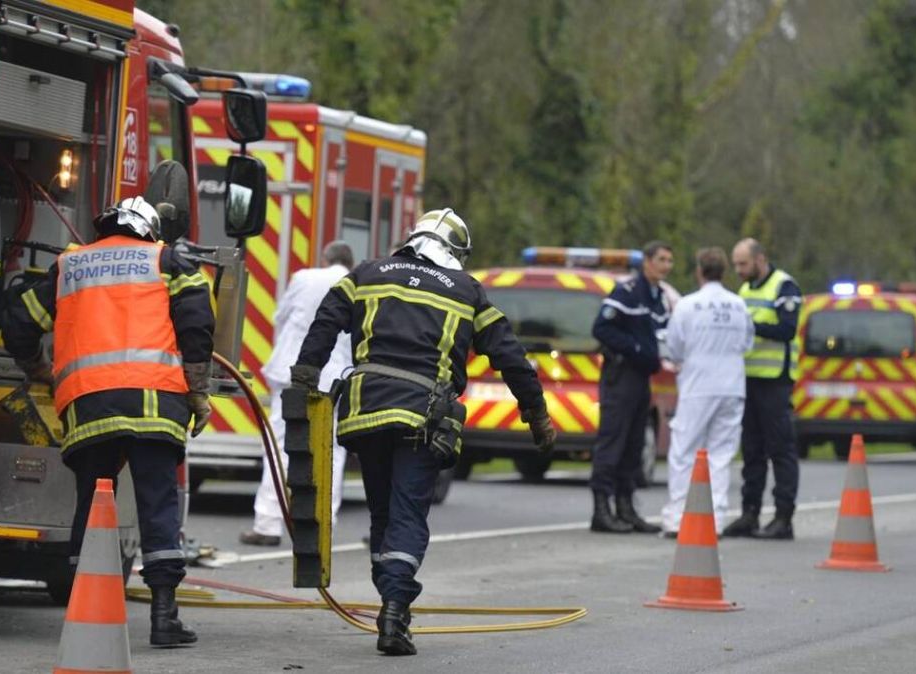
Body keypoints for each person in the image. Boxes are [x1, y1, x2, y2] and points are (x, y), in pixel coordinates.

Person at [292, 208, 555, 656]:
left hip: (365, 411)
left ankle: (391, 601)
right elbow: (509, 355)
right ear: (455, 252)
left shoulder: (368, 272)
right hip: (423, 416)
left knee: (383, 513)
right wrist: (536, 414)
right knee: (408, 514)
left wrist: (304, 380)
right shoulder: (467, 291)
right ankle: (395, 610)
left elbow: (325, 321)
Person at [1, 197, 214, 647]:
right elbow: (197, 317)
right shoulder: (167, 260)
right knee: (158, 504)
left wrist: (36, 367)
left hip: (88, 405)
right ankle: (163, 615)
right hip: (154, 401)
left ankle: (86, 608)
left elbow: (19, 321)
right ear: (149, 230)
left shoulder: (69, 266)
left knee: (94, 506)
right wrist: (197, 392)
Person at [240, 242, 355, 546]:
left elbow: (281, 317)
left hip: (292, 371)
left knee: (279, 445)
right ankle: (321, 527)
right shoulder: (358, 283)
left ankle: (267, 524)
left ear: (324, 258)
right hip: (334, 376)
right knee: (331, 451)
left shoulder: (304, 278)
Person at [660, 248, 755, 536]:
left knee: (684, 452)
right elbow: (747, 344)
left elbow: (674, 347)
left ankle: (678, 518)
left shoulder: (688, 306)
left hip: (697, 386)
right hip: (732, 387)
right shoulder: (739, 305)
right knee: (720, 454)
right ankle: (714, 520)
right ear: (724, 272)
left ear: (699, 271)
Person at [588, 241, 674, 534]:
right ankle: (602, 509)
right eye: (662, 259)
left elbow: (663, 332)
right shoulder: (627, 292)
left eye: (669, 260)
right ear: (647, 262)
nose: (666, 266)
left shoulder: (659, 297)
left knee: (634, 445)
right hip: (621, 376)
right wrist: (634, 348)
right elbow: (602, 328)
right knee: (612, 441)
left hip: (642, 379)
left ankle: (626, 507)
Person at [723, 238, 803, 540]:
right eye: (736, 264)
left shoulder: (785, 287)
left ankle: (783, 518)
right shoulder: (745, 290)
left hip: (775, 381)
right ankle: (749, 513)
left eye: (743, 264)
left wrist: (749, 327)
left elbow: (787, 328)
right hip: (749, 380)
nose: (739, 270)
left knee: (781, 449)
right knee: (752, 451)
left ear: (760, 259)